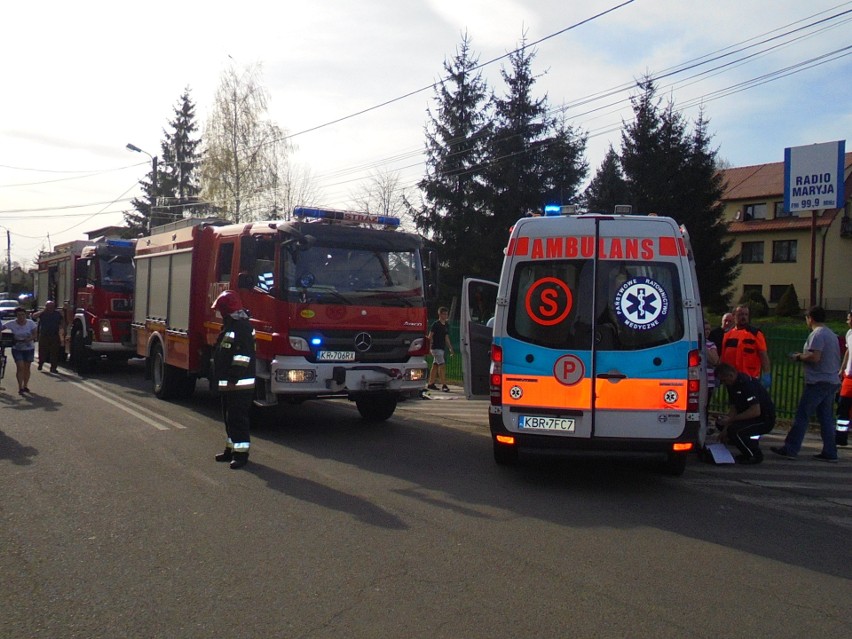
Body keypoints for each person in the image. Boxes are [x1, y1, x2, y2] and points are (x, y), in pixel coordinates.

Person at [772, 305, 841, 462]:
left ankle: (791, 448)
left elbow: (815, 357)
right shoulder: (831, 334)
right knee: (826, 418)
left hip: (818, 381)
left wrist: (798, 357)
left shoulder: (817, 335)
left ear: (810, 318)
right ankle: (830, 451)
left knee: (802, 415)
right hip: (831, 380)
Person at [211, 290, 256, 470]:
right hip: (229, 384)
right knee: (229, 419)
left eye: (221, 310)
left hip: (239, 385)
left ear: (226, 309)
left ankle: (241, 454)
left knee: (238, 419)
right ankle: (230, 449)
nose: (219, 313)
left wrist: (232, 378)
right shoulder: (231, 325)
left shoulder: (241, 327)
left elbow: (242, 357)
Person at [715, 362, 776, 464]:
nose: (724, 383)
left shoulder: (746, 384)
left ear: (731, 375)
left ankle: (754, 455)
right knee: (722, 423)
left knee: (735, 430)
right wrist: (725, 428)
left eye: (724, 380)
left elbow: (755, 411)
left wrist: (731, 421)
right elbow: (734, 408)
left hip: (764, 419)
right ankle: (739, 442)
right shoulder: (732, 385)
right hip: (750, 416)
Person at [720, 305, 771, 387]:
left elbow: (763, 355)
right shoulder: (728, 335)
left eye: (746, 314)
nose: (743, 317)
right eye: (740, 314)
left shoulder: (756, 334)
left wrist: (766, 374)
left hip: (750, 378)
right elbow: (723, 357)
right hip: (732, 378)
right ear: (734, 316)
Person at [2, 307, 37, 395]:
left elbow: (35, 334)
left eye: (22, 315)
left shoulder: (31, 323)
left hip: (29, 348)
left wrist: (29, 339)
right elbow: (1, 328)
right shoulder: (11, 323)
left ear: (25, 315)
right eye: (19, 315)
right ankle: (20, 387)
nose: (21, 317)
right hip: (17, 348)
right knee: (20, 366)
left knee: (27, 367)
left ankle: (25, 385)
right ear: (16, 316)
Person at [427, 306, 453, 392]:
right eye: (444, 314)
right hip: (435, 348)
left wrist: (450, 348)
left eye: (446, 314)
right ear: (440, 314)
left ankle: (431, 383)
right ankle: (444, 385)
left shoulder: (446, 325)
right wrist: (429, 347)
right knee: (442, 366)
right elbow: (430, 336)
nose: (446, 316)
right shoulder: (436, 324)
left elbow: (446, 337)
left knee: (435, 365)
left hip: (441, 348)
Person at [33, 300, 64, 373]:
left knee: (54, 352)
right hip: (44, 335)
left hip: (54, 335)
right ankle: (40, 363)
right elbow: (34, 316)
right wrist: (43, 311)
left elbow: (62, 323)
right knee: (42, 351)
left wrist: (62, 334)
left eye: (52, 306)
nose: (50, 308)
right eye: (48, 306)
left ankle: (53, 368)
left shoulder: (57, 314)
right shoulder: (43, 313)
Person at [836, 309, 852, 446]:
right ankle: (841, 438)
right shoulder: (849, 333)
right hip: (849, 377)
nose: (847, 321)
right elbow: (848, 351)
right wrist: (842, 368)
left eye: (848, 318)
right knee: (843, 406)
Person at [704, 319, 720, 409]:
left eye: (709, 329)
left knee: (706, 406)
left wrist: (703, 346)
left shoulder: (711, 344)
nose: (707, 331)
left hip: (709, 382)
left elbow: (714, 360)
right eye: (705, 329)